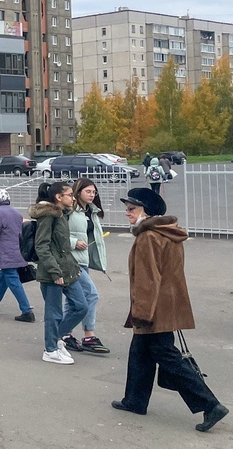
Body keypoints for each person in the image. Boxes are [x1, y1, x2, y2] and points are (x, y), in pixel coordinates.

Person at [114, 187, 227, 431]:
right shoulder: (167, 233)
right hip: (168, 303)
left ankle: (210, 404)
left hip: (153, 307)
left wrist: (142, 313)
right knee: (140, 352)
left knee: (168, 357)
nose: (127, 213)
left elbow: (148, 279)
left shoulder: (148, 237)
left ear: (147, 211)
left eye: (132, 208)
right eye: (127, 208)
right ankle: (134, 400)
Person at [31, 181, 87, 365]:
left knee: (81, 306)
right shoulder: (48, 216)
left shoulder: (61, 214)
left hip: (68, 270)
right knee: (53, 313)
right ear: (58, 197)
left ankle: (56, 338)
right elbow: (42, 246)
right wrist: (55, 271)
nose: (73, 197)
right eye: (70, 194)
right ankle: (50, 350)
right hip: (52, 273)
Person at [61, 178, 110, 354]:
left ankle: (65, 334)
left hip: (83, 260)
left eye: (94, 192)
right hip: (71, 260)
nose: (92, 195)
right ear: (78, 191)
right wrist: (74, 242)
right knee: (91, 294)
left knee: (73, 300)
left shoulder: (91, 211)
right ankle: (88, 335)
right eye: (88, 191)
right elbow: (58, 232)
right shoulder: (69, 210)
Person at [0, 188, 34, 322]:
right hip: (19, 251)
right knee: (3, 277)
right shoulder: (16, 213)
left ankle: (27, 310)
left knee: (12, 279)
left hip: (6, 252)